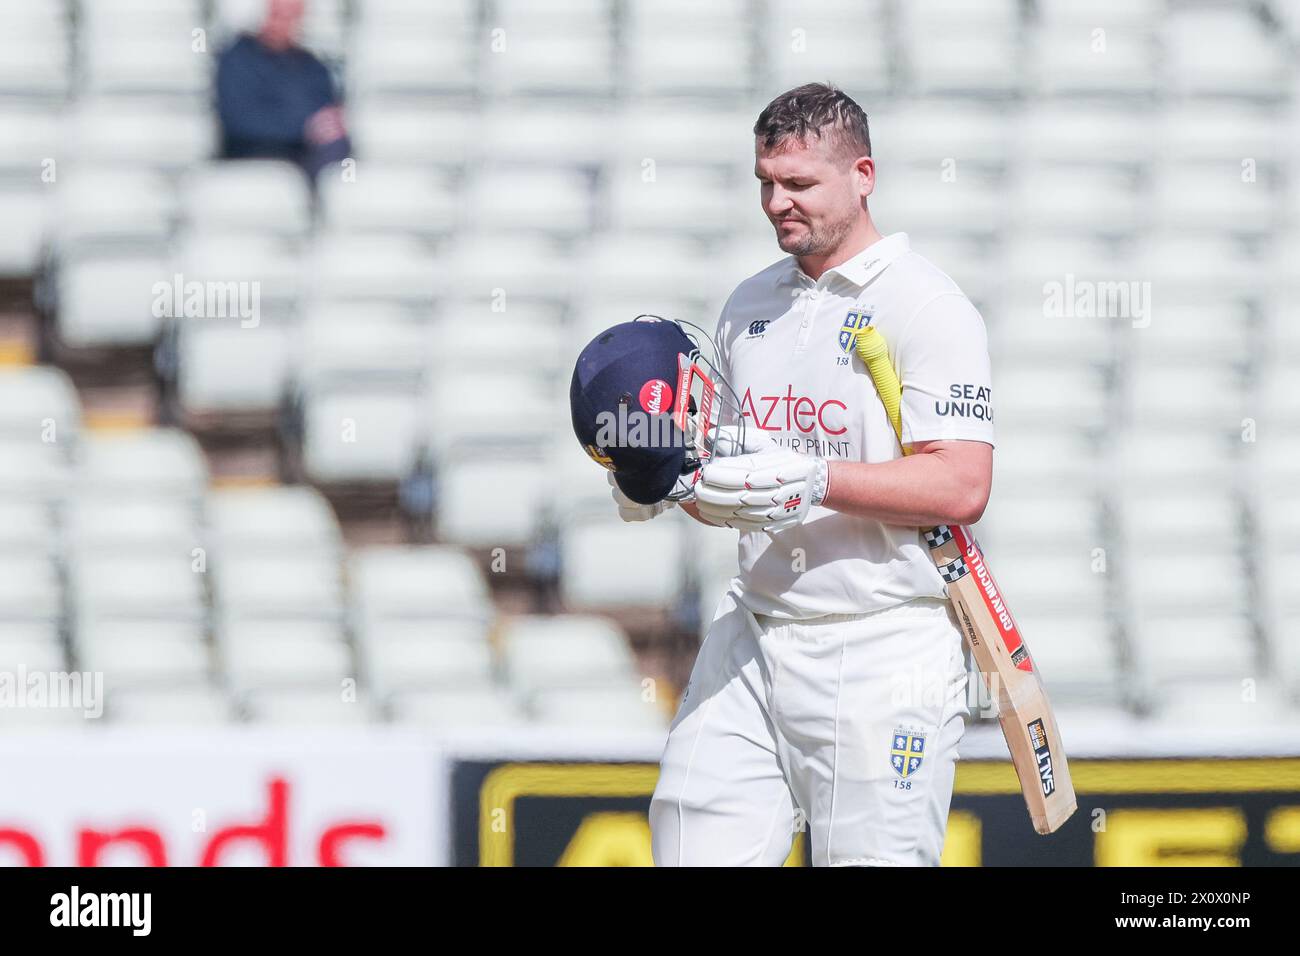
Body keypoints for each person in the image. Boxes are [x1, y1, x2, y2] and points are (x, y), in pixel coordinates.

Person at [623, 83, 995, 866]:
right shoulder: (749, 304)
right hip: (751, 635)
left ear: (862, 174)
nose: (776, 203)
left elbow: (960, 486)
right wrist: (656, 473)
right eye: (765, 181)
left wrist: (817, 477)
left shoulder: (926, 306)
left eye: (799, 184)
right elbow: (736, 484)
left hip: (883, 647)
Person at [214, 0, 350, 179]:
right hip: (255, 156)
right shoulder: (236, 59)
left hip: (305, 158)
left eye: (291, 17)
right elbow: (239, 121)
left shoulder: (313, 67)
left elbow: (326, 119)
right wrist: (305, 127)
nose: (283, 23)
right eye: (277, 15)